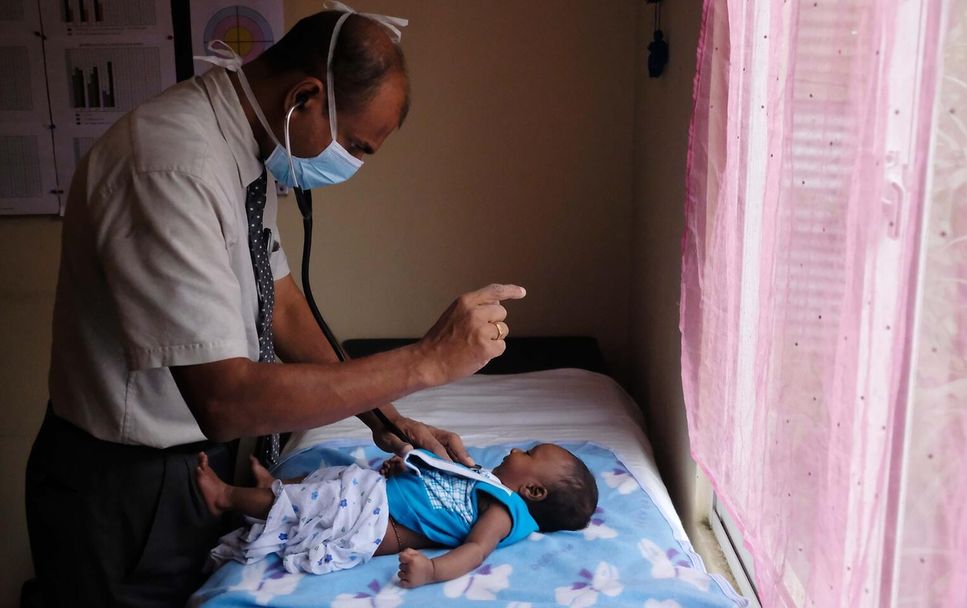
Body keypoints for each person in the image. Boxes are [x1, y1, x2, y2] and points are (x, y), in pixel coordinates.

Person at [25, 6, 525, 607]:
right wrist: (426, 361)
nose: (355, 166)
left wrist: (387, 419)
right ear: (305, 98)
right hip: (125, 488)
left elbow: (280, 305)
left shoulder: (245, 151)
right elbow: (225, 399)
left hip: (190, 468)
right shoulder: (172, 167)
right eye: (358, 146)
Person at [196, 443, 599, 587]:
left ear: (532, 491)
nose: (514, 450)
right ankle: (274, 489)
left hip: (381, 523)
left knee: (316, 504)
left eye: (528, 454)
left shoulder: (505, 512)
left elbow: (476, 550)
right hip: (377, 493)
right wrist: (405, 468)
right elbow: (437, 486)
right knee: (330, 479)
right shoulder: (484, 479)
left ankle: (229, 497)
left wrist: (432, 571)